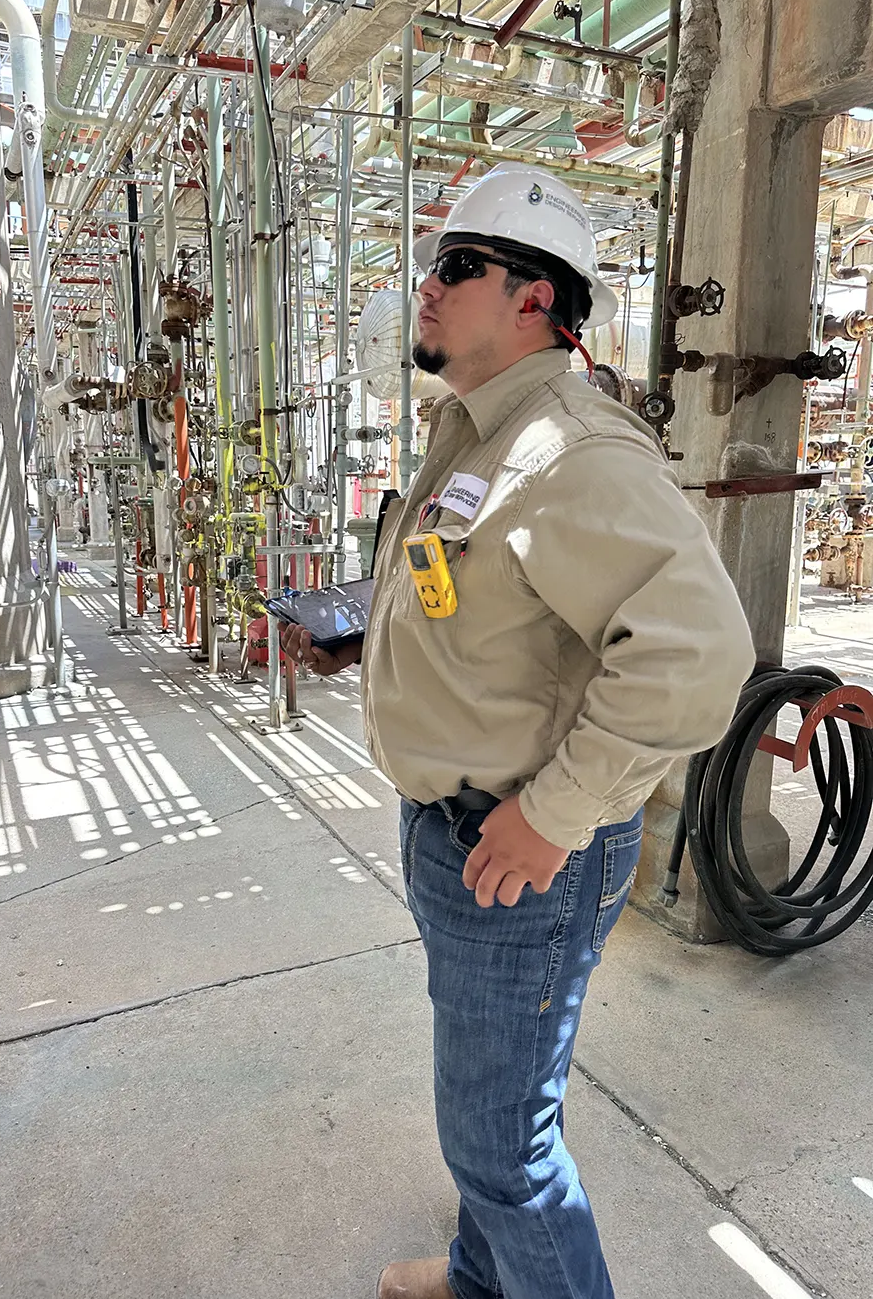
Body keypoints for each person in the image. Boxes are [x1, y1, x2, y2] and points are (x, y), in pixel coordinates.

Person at [280, 162, 755, 1299]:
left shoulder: (572, 454)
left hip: (516, 852)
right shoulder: (478, 427)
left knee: (504, 1147)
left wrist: (549, 818)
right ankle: (478, 1278)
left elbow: (698, 656)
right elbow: (477, 589)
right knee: (486, 1110)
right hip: (456, 832)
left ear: (535, 296)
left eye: (456, 267)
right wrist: (367, 638)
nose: (427, 288)